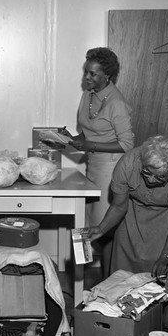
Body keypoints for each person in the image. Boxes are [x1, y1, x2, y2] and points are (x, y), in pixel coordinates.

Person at [84, 135, 168, 327]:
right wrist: (100, 228)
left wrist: (165, 257)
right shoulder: (128, 163)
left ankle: (162, 323)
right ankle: (122, 324)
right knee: (123, 272)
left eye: (160, 177)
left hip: (167, 221)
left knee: (163, 276)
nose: (151, 180)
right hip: (131, 214)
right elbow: (119, 206)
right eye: (147, 173)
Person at [69, 47, 134, 277]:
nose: (87, 77)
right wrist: (67, 140)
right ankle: (85, 281)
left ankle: (105, 280)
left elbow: (127, 144)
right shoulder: (88, 93)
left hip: (111, 169)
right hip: (92, 166)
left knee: (102, 229)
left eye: (93, 74)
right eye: (86, 71)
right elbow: (88, 134)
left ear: (107, 75)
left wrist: (90, 145)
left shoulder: (117, 103)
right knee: (86, 223)